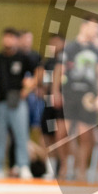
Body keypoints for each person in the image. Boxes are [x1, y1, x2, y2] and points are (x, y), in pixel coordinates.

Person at [60, 18, 98, 180]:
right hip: (70, 94)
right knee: (65, 133)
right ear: (84, 26)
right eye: (94, 27)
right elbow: (60, 71)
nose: (96, 31)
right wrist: (58, 92)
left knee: (85, 134)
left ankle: (81, 169)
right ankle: (67, 165)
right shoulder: (70, 47)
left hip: (88, 97)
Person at [0, 28, 37, 179]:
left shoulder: (23, 58)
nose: (8, 40)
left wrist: (27, 89)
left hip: (18, 101)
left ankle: (23, 165)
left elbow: (37, 72)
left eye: (12, 37)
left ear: (17, 40)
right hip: (0, 101)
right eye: (6, 37)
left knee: (21, 135)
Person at [39, 33, 67, 180]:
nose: (53, 46)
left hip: (63, 105)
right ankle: (50, 168)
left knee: (61, 136)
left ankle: (65, 167)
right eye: (51, 43)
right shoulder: (48, 62)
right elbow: (43, 83)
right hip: (49, 104)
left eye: (56, 42)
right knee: (47, 134)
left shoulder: (67, 60)